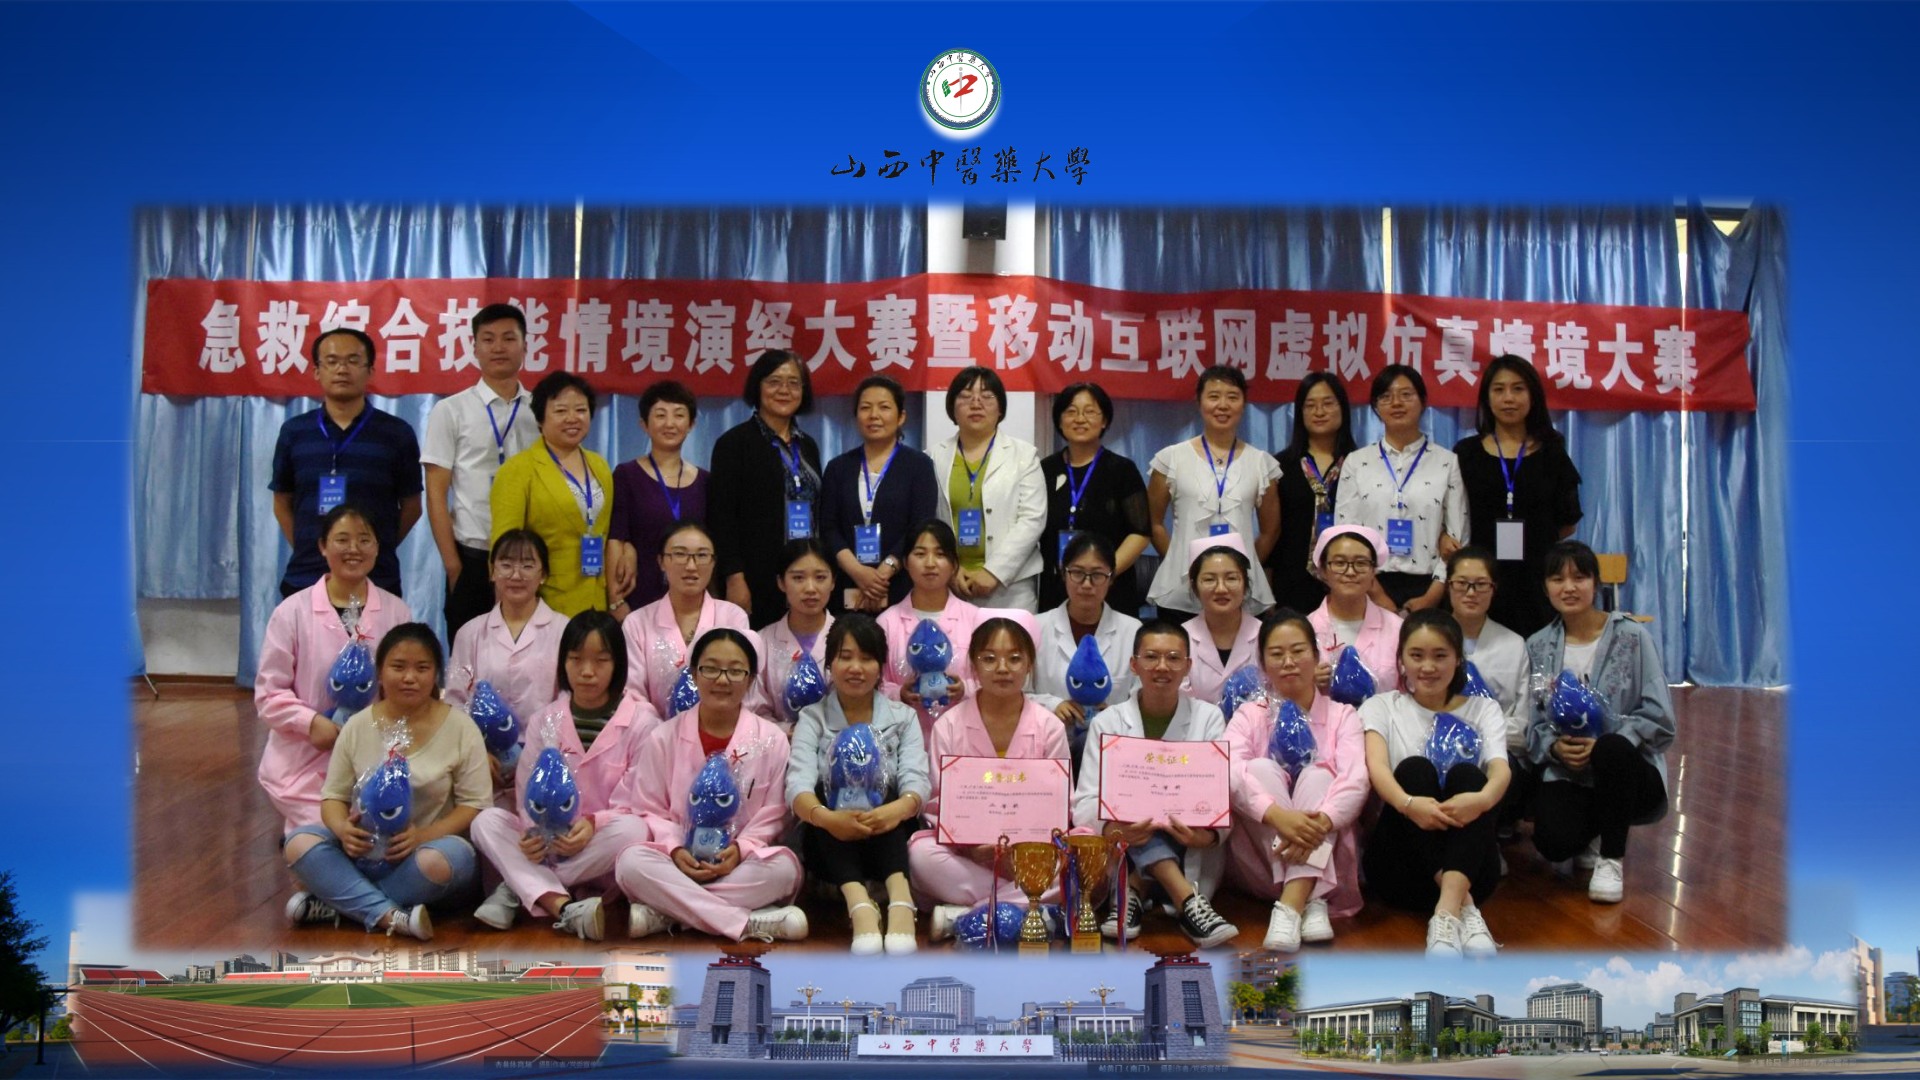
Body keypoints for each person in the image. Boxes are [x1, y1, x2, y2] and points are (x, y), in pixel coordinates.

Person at [283, 624, 487, 940]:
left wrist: (422, 836)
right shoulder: (356, 726)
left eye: (422, 668)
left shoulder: (462, 728)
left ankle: (342, 903)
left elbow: (474, 804)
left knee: (451, 859)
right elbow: (333, 797)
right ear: (379, 672)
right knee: (299, 842)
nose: (409, 677)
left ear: (436, 674)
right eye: (398, 667)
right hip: (364, 852)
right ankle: (389, 915)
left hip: (424, 855)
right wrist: (343, 830)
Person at [470, 611, 658, 940]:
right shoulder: (545, 720)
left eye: (601, 661)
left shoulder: (643, 722)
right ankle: (564, 907)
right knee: (485, 821)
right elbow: (525, 792)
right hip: (545, 841)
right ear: (563, 663)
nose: (587, 671)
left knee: (634, 830)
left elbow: (641, 800)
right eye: (576, 659)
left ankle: (517, 888)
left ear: (618, 665)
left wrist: (594, 824)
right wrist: (534, 833)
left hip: (599, 847)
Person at [613, 629, 808, 942]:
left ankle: (668, 913)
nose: (722, 680)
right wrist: (675, 848)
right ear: (694, 674)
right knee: (630, 863)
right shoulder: (663, 737)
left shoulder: (772, 739)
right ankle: (747, 923)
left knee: (784, 868)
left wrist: (741, 850)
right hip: (678, 861)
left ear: (750, 679)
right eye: (711, 669)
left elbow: (777, 813)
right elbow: (648, 809)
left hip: (738, 863)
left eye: (735, 671)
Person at [1524, 541, 1674, 904]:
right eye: (1557, 579)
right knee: (1553, 843)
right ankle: (1594, 827)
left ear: (1596, 584)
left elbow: (1660, 718)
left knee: (1611, 749)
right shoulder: (1538, 645)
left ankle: (1611, 857)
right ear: (1545, 587)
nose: (1569, 587)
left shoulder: (1632, 637)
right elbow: (1533, 721)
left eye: (1579, 577)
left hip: (1628, 768)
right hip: (1570, 770)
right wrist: (1555, 747)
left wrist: (1611, 742)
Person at [1072, 620, 1237, 947]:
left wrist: (1207, 836)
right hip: (1128, 840)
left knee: (1162, 814)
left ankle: (1133, 889)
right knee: (1141, 815)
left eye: (1173, 658)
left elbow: (1221, 794)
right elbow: (1086, 800)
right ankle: (1187, 900)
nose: (1162, 666)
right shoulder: (1108, 722)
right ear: (1134, 665)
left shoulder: (1209, 718)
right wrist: (1115, 830)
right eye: (1151, 657)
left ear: (1188, 666)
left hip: (1186, 840)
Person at [1359, 610, 1511, 957]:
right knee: (1414, 770)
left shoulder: (1484, 709)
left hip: (1473, 869)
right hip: (1401, 869)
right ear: (1401, 660)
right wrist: (1409, 805)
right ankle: (1463, 909)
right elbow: (1378, 769)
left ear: (1458, 659)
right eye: (1417, 655)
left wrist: (1481, 801)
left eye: (1440, 656)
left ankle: (1447, 912)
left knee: (1470, 777)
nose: (1428, 667)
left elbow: (1501, 770)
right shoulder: (1381, 706)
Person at [255, 504, 414, 835]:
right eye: (342, 539)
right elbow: (269, 693)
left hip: (376, 759)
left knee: (384, 831)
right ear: (322, 546)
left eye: (364, 540)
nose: (354, 549)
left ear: (377, 548)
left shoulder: (397, 612)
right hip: (305, 763)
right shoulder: (291, 612)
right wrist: (310, 723)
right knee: (328, 836)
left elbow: (406, 688)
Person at [910, 618, 1071, 941]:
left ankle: (964, 916)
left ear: (1030, 665)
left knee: (1077, 863)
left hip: (1031, 856)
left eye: (1014, 658)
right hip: (969, 855)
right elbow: (938, 803)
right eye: (989, 658)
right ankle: (1031, 910)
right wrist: (969, 846)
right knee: (921, 855)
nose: (1002, 668)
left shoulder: (1049, 727)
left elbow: (1060, 805)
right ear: (973, 665)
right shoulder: (949, 725)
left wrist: (1022, 851)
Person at [786, 614, 930, 956]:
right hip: (830, 844)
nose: (855, 668)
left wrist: (895, 810)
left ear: (880, 667)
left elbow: (917, 781)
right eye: (845, 657)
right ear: (830, 664)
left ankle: (901, 901)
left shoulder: (902, 717)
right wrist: (828, 818)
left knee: (883, 785)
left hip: (890, 837)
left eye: (866, 658)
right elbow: (797, 787)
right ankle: (859, 905)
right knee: (824, 791)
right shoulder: (812, 718)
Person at [1223, 611, 1366, 952]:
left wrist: (1321, 822)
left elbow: (1356, 779)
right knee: (1259, 770)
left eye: (1298, 651)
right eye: (1277, 654)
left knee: (1320, 776)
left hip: (1327, 849)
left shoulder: (1342, 714)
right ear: (1263, 663)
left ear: (1316, 656)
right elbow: (1228, 770)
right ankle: (1311, 899)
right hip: (1263, 857)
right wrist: (1277, 816)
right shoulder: (1249, 714)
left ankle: (1292, 903)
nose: (1288, 662)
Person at [269, 327, 423, 598]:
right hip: (306, 576)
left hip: (376, 579)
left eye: (353, 361)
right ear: (317, 371)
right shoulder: (294, 431)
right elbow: (282, 501)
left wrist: (374, 547)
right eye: (332, 361)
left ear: (370, 371)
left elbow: (412, 507)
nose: (342, 369)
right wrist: (316, 548)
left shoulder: (397, 433)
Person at [422, 303, 539, 639]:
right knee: (469, 658)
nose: (498, 347)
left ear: (525, 346)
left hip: (531, 557)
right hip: (472, 557)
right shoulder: (451, 410)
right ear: (474, 348)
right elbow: (435, 492)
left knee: (529, 653)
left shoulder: (541, 410)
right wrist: (453, 566)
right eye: (488, 339)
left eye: (508, 338)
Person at [1452, 355, 1584, 638]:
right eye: (1499, 389)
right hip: (1480, 579)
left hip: (1537, 577)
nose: (1508, 398)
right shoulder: (1466, 453)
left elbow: (1568, 521)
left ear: (1532, 396)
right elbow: (1451, 514)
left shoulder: (1552, 450)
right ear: (1487, 398)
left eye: (1518, 389)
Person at [1147, 365, 1282, 623]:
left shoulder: (1261, 463)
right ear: (1199, 402)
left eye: (1232, 397)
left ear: (1243, 404)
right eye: (1213, 396)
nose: (1223, 405)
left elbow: (1270, 531)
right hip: (1181, 589)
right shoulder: (1170, 458)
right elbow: (1154, 523)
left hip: (1239, 590)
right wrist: (1179, 560)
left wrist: (1239, 569)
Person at [1334, 364, 1467, 613]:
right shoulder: (1357, 462)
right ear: (1375, 406)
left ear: (1423, 402)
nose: (1396, 403)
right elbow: (1346, 533)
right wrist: (1376, 593)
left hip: (1431, 586)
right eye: (1386, 397)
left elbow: (1458, 537)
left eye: (1406, 395)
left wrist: (1432, 596)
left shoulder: (1447, 462)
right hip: (1369, 585)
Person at [708, 349, 823, 628]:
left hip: (806, 577)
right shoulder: (733, 443)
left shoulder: (807, 445)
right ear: (757, 386)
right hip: (755, 576)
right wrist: (734, 577)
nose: (784, 390)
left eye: (793, 383)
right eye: (774, 381)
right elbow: (721, 518)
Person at [489, 372, 617, 617]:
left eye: (581, 410)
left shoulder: (600, 465)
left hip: (596, 599)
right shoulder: (518, 470)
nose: (572, 418)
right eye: (560, 411)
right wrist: (508, 614)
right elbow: (504, 549)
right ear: (540, 419)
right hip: (543, 601)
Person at [818, 375, 939, 614]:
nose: (874, 415)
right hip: (847, 583)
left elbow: (920, 525)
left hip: (900, 583)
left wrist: (885, 570)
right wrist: (858, 571)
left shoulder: (919, 465)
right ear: (856, 416)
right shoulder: (838, 467)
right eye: (865, 408)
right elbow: (828, 528)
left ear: (901, 416)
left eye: (884, 407)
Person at [620, 519, 763, 720]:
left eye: (702, 555)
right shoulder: (637, 623)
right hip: (655, 734)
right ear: (661, 561)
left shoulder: (732, 617)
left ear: (713, 562)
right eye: (680, 554)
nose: (691, 566)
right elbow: (634, 697)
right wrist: (665, 735)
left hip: (721, 731)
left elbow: (743, 687)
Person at [930, 366, 1047, 610]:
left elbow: (1032, 519)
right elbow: (929, 522)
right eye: (965, 396)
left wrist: (995, 571)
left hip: (1011, 588)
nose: (976, 404)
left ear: (1000, 408)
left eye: (987, 396)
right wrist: (950, 568)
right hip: (951, 583)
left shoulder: (1024, 455)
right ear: (952, 407)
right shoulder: (933, 456)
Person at [1038, 382, 1150, 616]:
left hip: (1111, 588)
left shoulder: (1122, 470)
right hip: (1057, 586)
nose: (1080, 419)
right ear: (1059, 420)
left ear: (1104, 420)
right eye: (1071, 411)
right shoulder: (1044, 469)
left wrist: (1103, 574)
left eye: (1089, 411)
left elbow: (1140, 532)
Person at [445, 530, 566, 743]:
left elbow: (569, 699)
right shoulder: (470, 633)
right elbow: (456, 700)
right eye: (506, 565)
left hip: (547, 748)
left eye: (527, 566)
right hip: (483, 750)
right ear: (492, 572)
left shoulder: (564, 630)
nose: (516, 575)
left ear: (543, 575)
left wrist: (546, 749)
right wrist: (477, 751)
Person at [1033, 534, 1142, 766]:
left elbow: (1142, 697)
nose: (1086, 584)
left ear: (1111, 578)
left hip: (1112, 750)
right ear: (1063, 573)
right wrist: (1052, 705)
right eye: (1077, 573)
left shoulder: (1133, 631)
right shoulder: (1036, 627)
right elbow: (1018, 694)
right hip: (1048, 746)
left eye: (1097, 575)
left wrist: (1114, 713)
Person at [608, 380, 708, 616]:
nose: (670, 423)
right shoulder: (626, 474)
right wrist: (616, 601)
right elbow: (616, 539)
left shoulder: (705, 481)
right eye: (660, 415)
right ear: (644, 424)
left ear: (691, 424)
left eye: (679, 415)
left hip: (692, 600)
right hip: (639, 598)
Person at [876, 520, 980, 741]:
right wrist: (898, 693)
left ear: (954, 564)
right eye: (920, 554)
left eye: (940, 554)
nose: (930, 563)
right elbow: (874, 683)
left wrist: (965, 689)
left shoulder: (975, 619)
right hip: (903, 740)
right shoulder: (886, 623)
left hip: (963, 739)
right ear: (906, 562)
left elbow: (990, 679)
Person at [1270, 373, 1358, 614]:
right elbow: (1273, 533)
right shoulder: (1279, 466)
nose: (1319, 412)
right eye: (1310, 405)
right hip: (1291, 581)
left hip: (1348, 579)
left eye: (1328, 403)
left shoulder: (1361, 463)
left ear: (1343, 408)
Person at [1305, 525, 1404, 697]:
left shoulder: (1398, 629)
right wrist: (1305, 683)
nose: (1350, 572)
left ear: (1373, 572)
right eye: (1339, 563)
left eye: (1361, 563)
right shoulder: (1305, 630)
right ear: (1323, 571)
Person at [755, 539, 836, 734]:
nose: (810, 588)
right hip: (779, 744)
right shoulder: (761, 641)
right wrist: (789, 731)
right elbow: (754, 710)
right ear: (781, 582)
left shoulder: (849, 638)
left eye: (820, 577)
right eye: (798, 578)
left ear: (833, 582)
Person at [1180, 536, 1264, 714]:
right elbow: (1179, 703)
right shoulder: (1180, 638)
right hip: (1195, 730)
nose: (1221, 589)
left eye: (1231, 578)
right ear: (1194, 587)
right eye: (1209, 579)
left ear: (1245, 583)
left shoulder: (1266, 635)